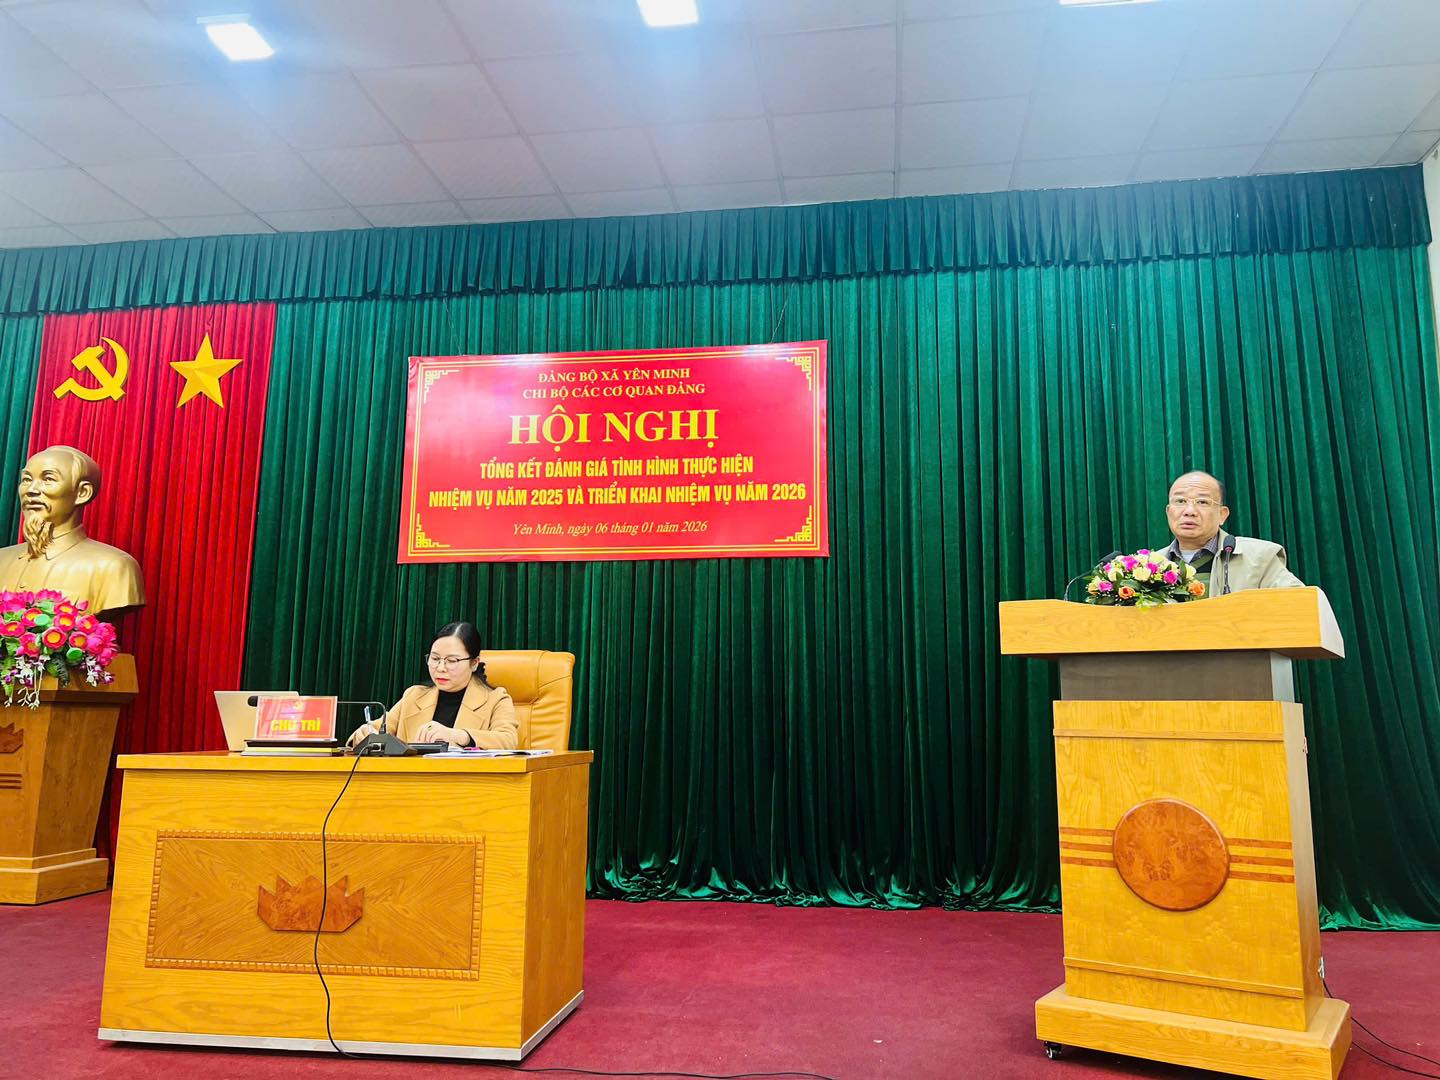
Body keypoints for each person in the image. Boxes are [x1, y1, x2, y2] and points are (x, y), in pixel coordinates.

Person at [0, 445, 145, 618]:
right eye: (26, 480)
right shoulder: (2, 558)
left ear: (82, 492)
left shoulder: (114, 566)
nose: (31, 490)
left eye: (48, 479)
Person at [347, 621, 519, 749]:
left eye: (452, 660)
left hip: (467, 784)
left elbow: (508, 741)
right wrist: (364, 734)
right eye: (435, 658)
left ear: (474, 663)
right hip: (411, 781)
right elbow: (375, 730)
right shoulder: (414, 696)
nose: (441, 668)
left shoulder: (496, 699)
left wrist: (458, 735)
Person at [1159, 470, 1303, 595]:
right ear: (1168, 512)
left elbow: (1299, 604)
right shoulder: (1151, 565)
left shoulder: (1260, 557)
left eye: (1202, 502)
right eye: (1180, 501)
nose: (1189, 511)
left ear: (1222, 515)